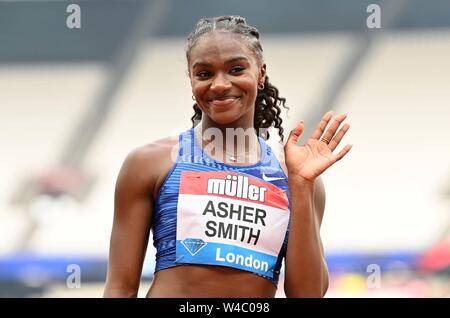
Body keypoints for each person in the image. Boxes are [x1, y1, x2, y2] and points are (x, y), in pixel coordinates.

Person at [103, 15, 352, 298]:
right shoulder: (149, 163)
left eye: (236, 69)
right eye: (204, 74)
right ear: (191, 79)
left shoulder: (294, 179)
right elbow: (120, 288)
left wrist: (302, 186)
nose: (220, 85)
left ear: (261, 74)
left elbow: (307, 294)